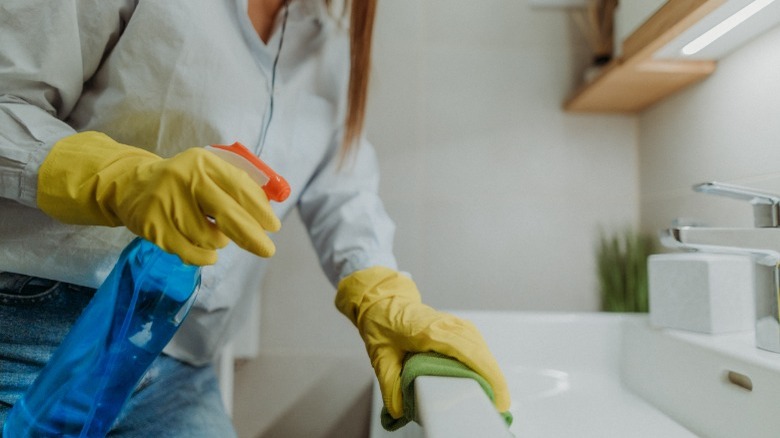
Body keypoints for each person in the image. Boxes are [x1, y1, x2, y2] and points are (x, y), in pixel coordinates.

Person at [0, 0, 511, 436]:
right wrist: (119, 178)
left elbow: (342, 188)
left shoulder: (325, 42)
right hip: (38, 323)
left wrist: (380, 294)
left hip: (179, 361)